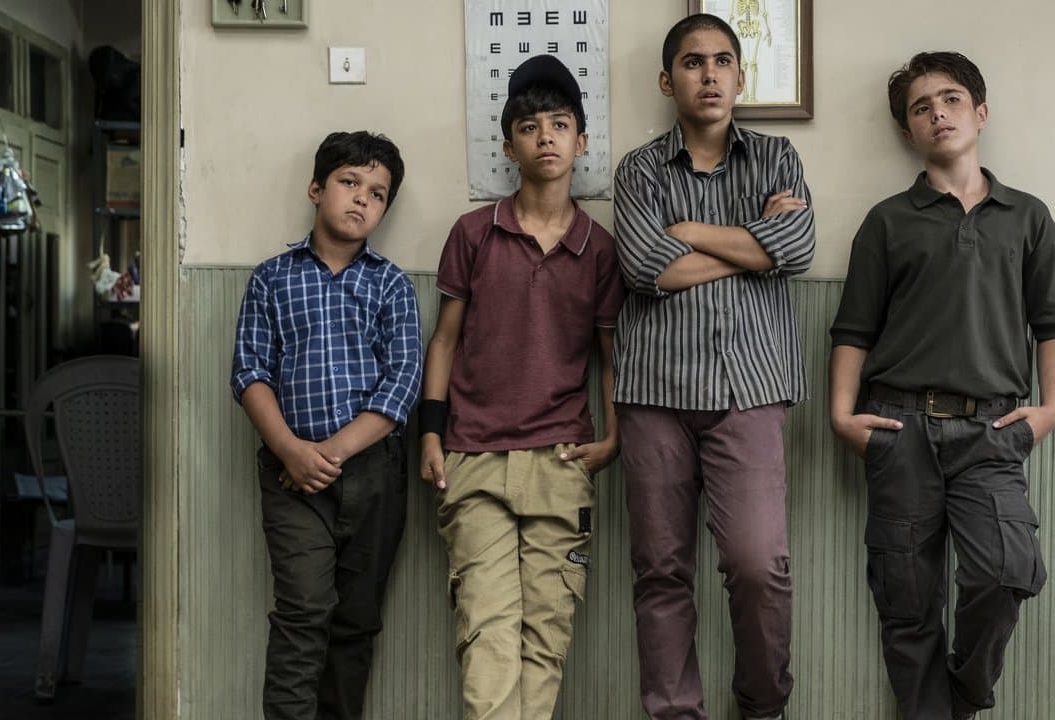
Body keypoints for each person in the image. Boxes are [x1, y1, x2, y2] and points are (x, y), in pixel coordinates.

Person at [829, 51, 1055, 720]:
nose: (937, 113)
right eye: (921, 107)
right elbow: (853, 329)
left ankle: (963, 694)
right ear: (908, 131)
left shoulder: (1027, 217)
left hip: (992, 432)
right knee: (906, 602)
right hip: (898, 428)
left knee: (1006, 572)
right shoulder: (887, 221)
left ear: (980, 112)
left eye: (951, 99)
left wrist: (1050, 409)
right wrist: (841, 415)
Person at [612, 14, 815, 720]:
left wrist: (690, 233)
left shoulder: (777, 158)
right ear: (668, 81)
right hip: (653, 392)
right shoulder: (639, 170)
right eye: (693, 62)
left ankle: (762, 707)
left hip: (750, 387)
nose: (709, 74)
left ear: (740, 77)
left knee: (759, 565)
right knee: (661, 570)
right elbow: (646, 267)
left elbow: (797, 250)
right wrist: (755, 245)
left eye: (723, 61)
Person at [417, 54, 624, 720]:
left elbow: (610, 354)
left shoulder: (599, 247)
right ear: (510, 146)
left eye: (560, 125)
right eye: (530, 128)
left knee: (546, 636)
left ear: (582, 141)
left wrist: (613, 437)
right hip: (473, 455)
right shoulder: (474, 233)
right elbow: (444, 341)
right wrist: (431, 433)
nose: (546, 138)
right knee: (487, 632)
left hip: (561, 459)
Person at [230, 130, 421, 720]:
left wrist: (330, 453)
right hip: (291, 476)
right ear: (316, 189)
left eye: (377, 193)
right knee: (303, 610)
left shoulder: (391, 284)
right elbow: (249, 372)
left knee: (356, 621)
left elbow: (402, 383)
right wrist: (291, 450)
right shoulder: (272, 278)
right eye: (349, 182)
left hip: (374, 475)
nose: (362, 198)